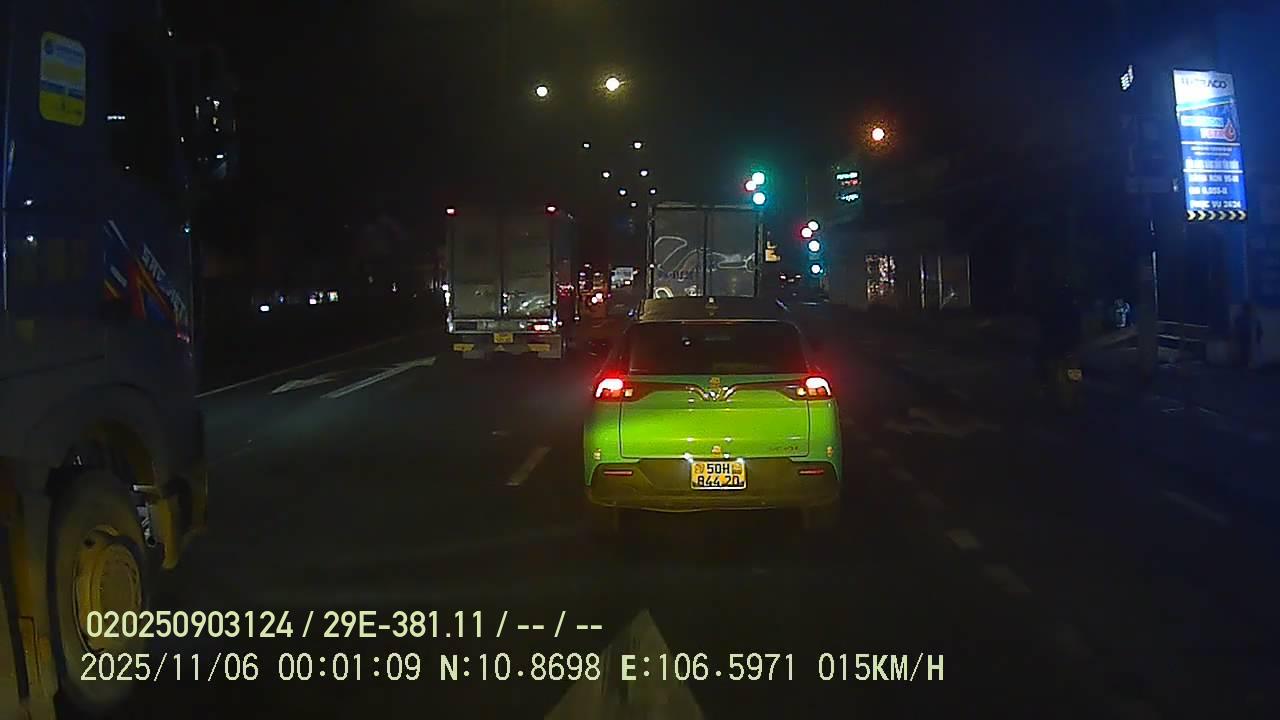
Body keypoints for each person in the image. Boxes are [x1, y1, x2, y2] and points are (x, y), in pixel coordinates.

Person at [1032, 280, 1083, 391]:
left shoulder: (1052, 305)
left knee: (1059, 369)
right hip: (1066, 342)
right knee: (1068, 369)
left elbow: (1044, 323)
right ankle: (1072, 391)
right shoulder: (1070, 306)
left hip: (1060, 342)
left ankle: (1065, 390)